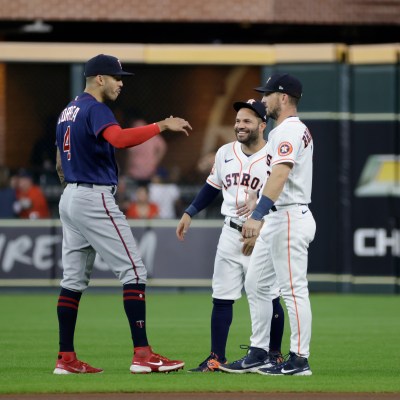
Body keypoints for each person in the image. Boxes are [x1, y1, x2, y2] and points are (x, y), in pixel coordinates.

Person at [54, 54, 192, 375]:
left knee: (72, 281)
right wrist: (161, 125)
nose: (120, 83)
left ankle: (66, 358)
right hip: (93, 195)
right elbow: (118, 139)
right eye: (116, 78)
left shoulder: (68, 110)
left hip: (70, 196)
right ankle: (143, 355)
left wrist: (76, 179)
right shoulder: (96, 108)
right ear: (99, 79)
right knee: (134, 271)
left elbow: (61, 161)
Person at [176, 99, 284, 372]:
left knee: (267, 294)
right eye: (237, 121)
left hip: (262, 232)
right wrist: (190, 211)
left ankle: (274, 355)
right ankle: (216, 357)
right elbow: (211, 187)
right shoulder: (225, 152)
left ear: (262, 125)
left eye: (247, 121)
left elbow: (284, 192)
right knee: (222, 295)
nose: (240, 126)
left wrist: (259, 207)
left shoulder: (275, 155)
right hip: (230, 230)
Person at [221, 73, 316, 376]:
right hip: (279, 213)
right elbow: (272, 179)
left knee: (292, 290)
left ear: (284, 97)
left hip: (288, 215)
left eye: (268, 94)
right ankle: (259, 352)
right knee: (257, 284)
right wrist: (259, 201)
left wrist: (257, 214)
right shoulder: (283, 131)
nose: (263, 99)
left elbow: (281, 174)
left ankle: (300, 359)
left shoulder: (288, 129)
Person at [124, 115, 168, 186]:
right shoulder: (151, 134)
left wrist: (126, 170)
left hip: (135, 172)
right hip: (149, 171)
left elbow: (130, 156)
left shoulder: (133, 136)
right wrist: (155, 160)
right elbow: (163, 147)